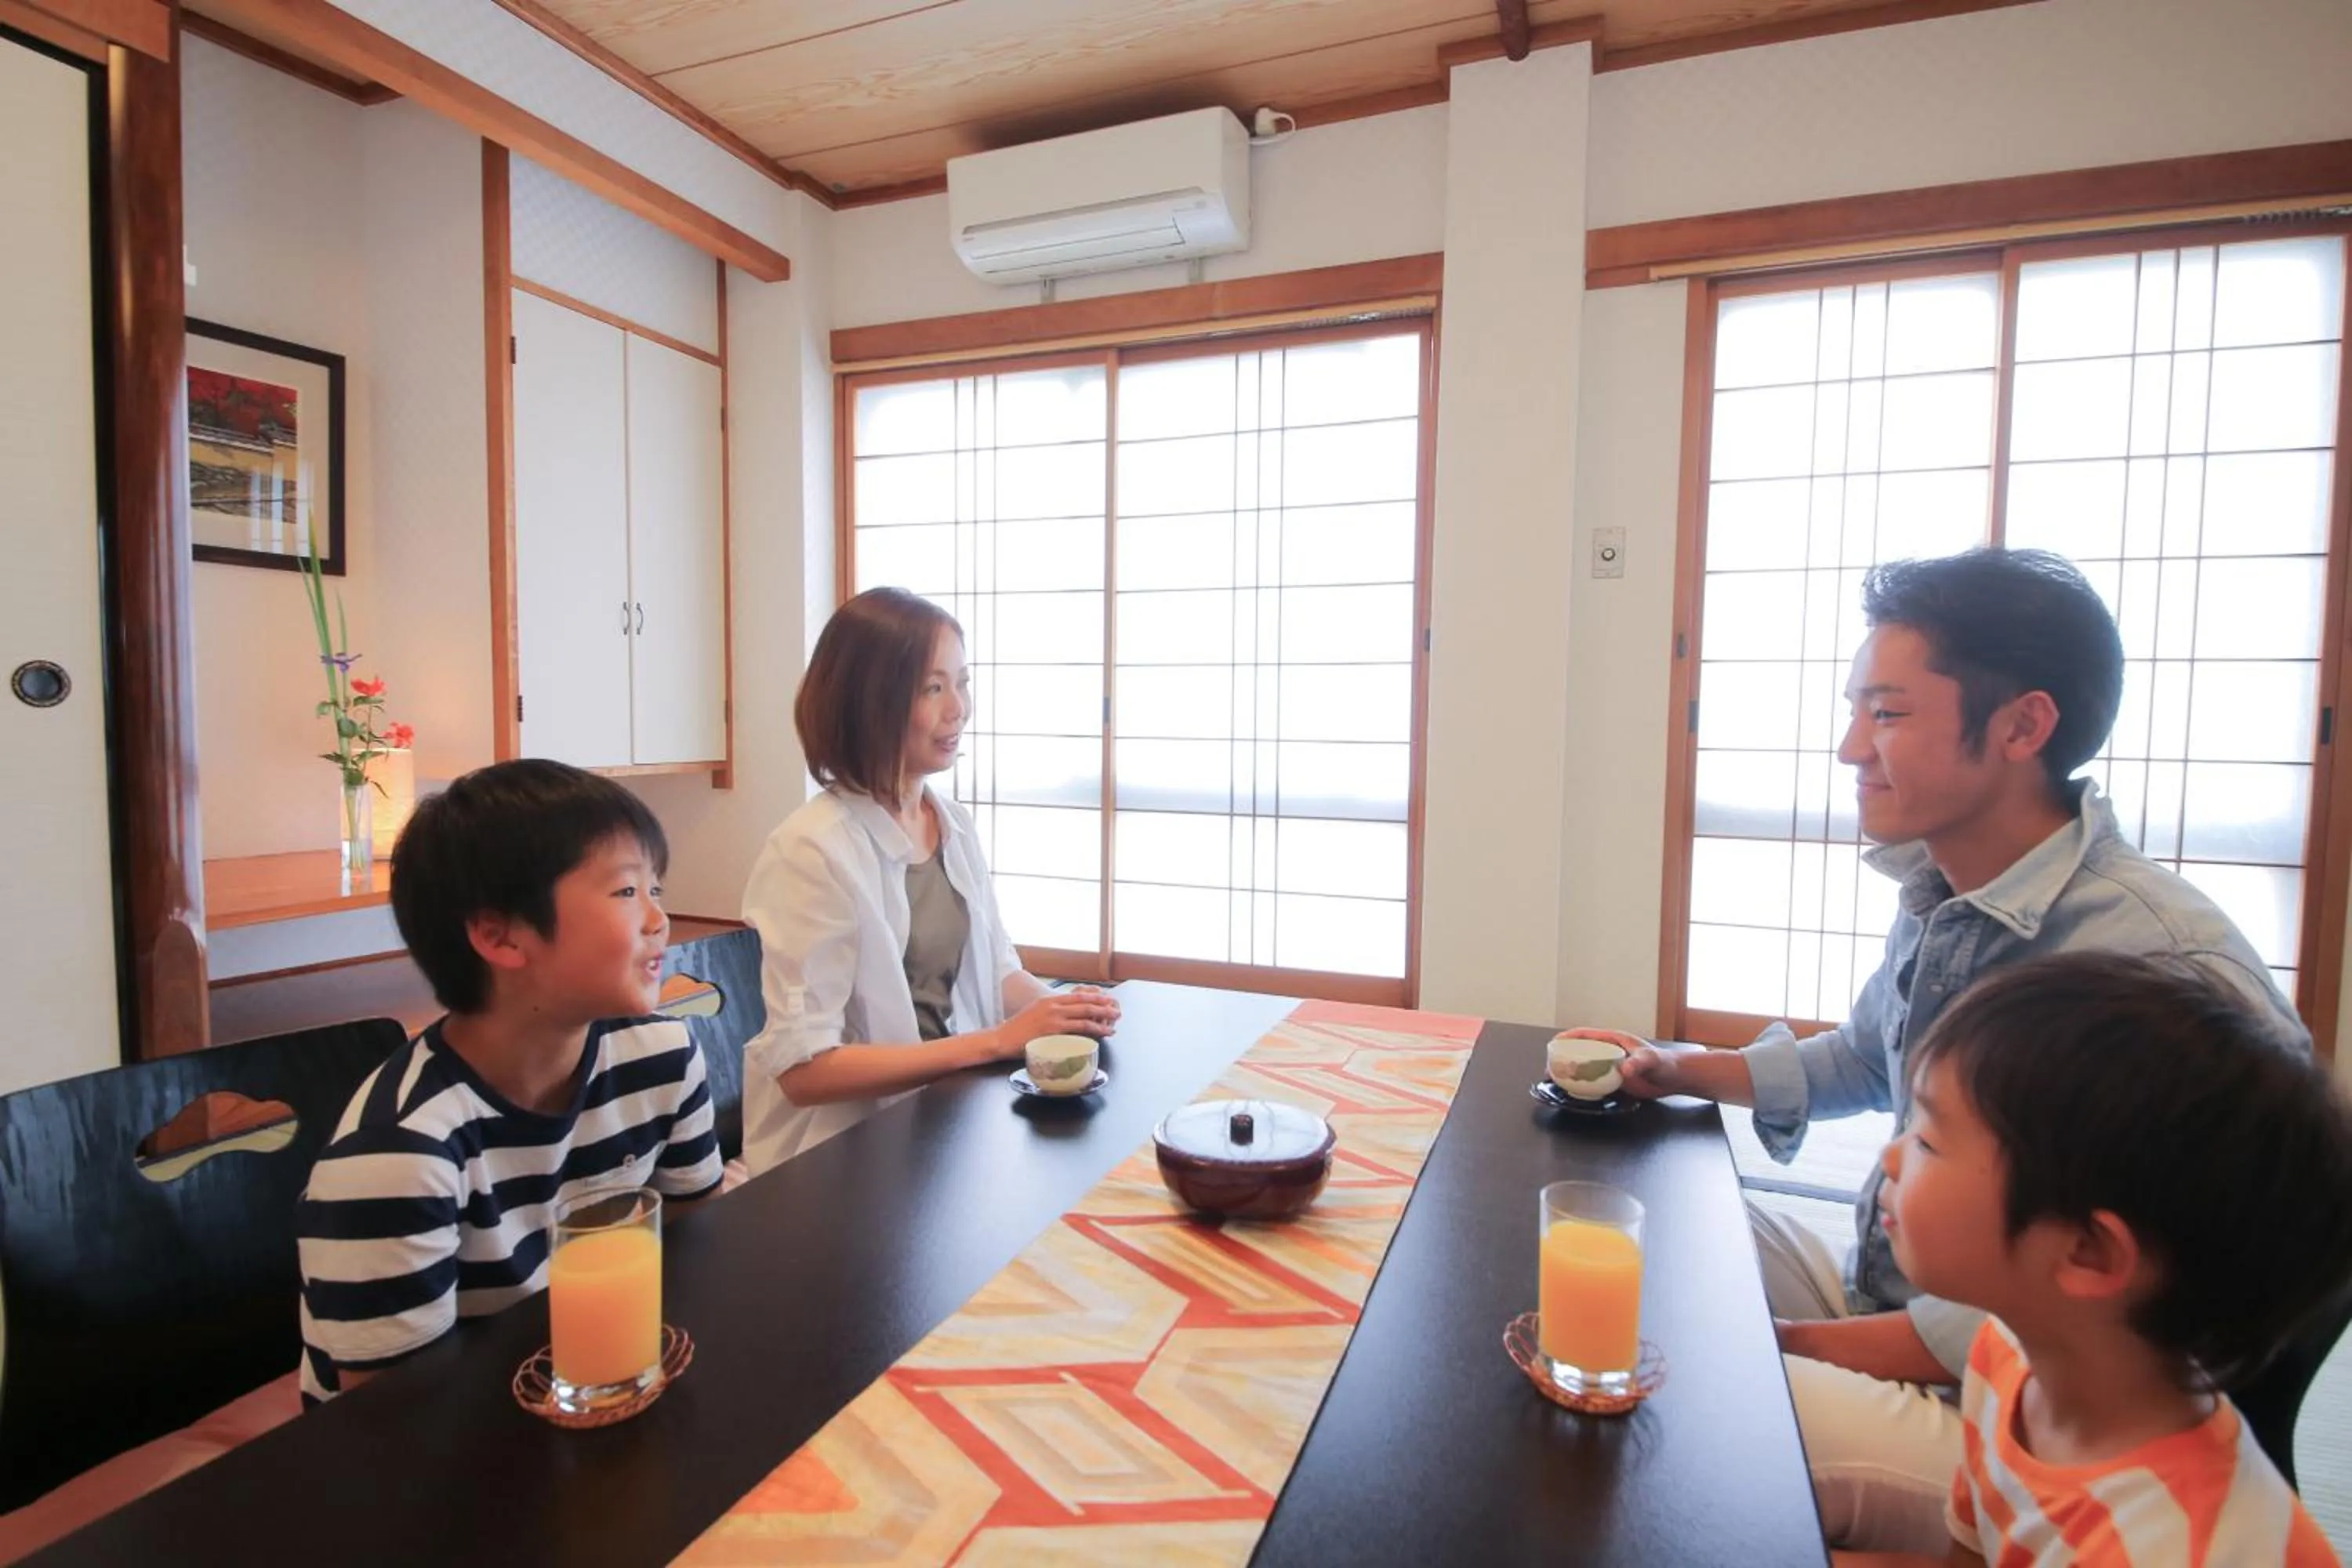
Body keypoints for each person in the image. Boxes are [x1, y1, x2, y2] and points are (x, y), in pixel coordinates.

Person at [1582, 548, 2310, 1551]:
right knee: (1649, 1226)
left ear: (2022, 724)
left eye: (1886, 713)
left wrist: (1788, 1344)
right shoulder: (1950, 884)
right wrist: (1684, 1067)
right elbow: (1875, 1057)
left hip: (2041, 1414)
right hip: (1898, 1278)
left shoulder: (2148, 962)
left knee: (1682, 1397)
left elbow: (2156, 1290)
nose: (1849, 747)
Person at [1835, 952, 2352, 1568]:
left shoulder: (2172, 1547)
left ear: (2088, 1253)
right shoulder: (2005, 1358)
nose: (1891, 1158)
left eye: (1927, 1140)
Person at [296, 760, 723, 1402]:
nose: (658, 919)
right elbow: (388, 1427)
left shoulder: (662, 1055)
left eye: (656, 890)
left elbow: (699, 1252)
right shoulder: (397, 1155)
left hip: (598, 1393)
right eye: (627, 892)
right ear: (500, 936)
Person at [738, 587, 1118, 1174]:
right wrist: (998, 1041)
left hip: (943, 1121)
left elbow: (995, 972)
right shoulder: (811, 849)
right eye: (932, 688)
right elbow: (803, 1070)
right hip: (837, 1159)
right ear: (871, 702)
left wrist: (1061, 1015)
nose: (958, 709)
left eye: (963, 683)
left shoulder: (951, 822)